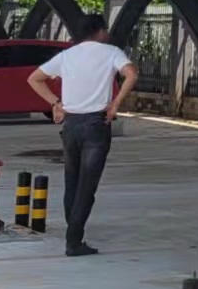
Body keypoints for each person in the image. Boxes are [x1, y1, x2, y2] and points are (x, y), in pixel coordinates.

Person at [27, 13, 138, 257]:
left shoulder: (67, 55)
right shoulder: (111, 52)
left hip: (71, 125)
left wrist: (56, 103)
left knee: (72, 182)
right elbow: (131, 73)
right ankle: (74, 241)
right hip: (96, 125)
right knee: (87, 186)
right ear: (100, 31)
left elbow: (34, 79)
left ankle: (74, 232)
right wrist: (116, 103)